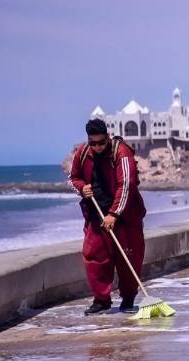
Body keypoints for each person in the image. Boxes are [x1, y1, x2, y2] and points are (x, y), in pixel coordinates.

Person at [69, 119, 146, 315]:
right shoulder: (83, 152)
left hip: (125, 216)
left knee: (128, 257)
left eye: (101, 143)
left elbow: (126, 185)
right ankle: (101, 300)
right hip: (96, 214)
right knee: (94, 257)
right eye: (93, 143)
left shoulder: (121, 153)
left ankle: (128, 297)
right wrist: (81, 188)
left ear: (107, 137)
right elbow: (74, 178)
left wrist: (114, 214)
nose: (97, 147)